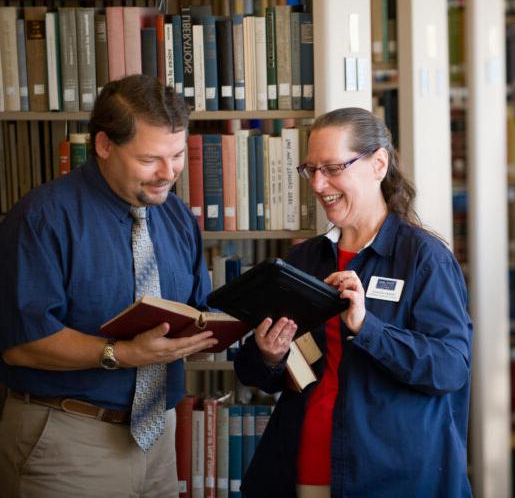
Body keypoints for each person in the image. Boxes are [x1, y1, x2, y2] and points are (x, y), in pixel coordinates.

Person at [234, 107, 473, 498]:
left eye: (332, 168)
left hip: (392, 477)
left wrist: (368, 327)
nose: (317, 184)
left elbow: (450, 368)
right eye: (311, 169)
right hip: (304, 467)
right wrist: (269, 355)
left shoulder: (423, 258)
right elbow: (257, 373)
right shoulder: (304, 260)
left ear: (378, 164)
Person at [0, 74, 218, 498]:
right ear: (103, 146)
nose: (168, 173)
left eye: (176, 156)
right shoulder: (41, 219)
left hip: (159, 436)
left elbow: (196, 309)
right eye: (150, 159)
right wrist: (122, 354)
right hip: (67, 437)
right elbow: (21, 343)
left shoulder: (174, 215)